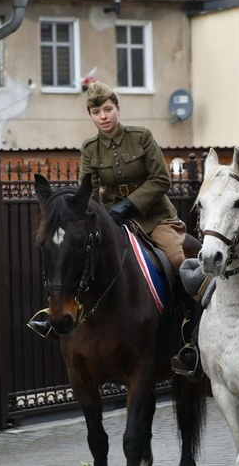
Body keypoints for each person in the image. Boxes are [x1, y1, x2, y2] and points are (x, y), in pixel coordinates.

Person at [28, 82, 199, 341]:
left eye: (107, 109)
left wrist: (129, 204)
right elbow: (89, 190)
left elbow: (161, 179)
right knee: (78, 258)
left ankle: (190, 327)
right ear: (91, 116)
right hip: (112, 219)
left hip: (154, 217)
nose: (103, 116)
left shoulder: (140, 136)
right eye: (97, 113)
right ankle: (58, 315)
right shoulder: (89, 148)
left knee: (178, 261)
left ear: (118, 109)